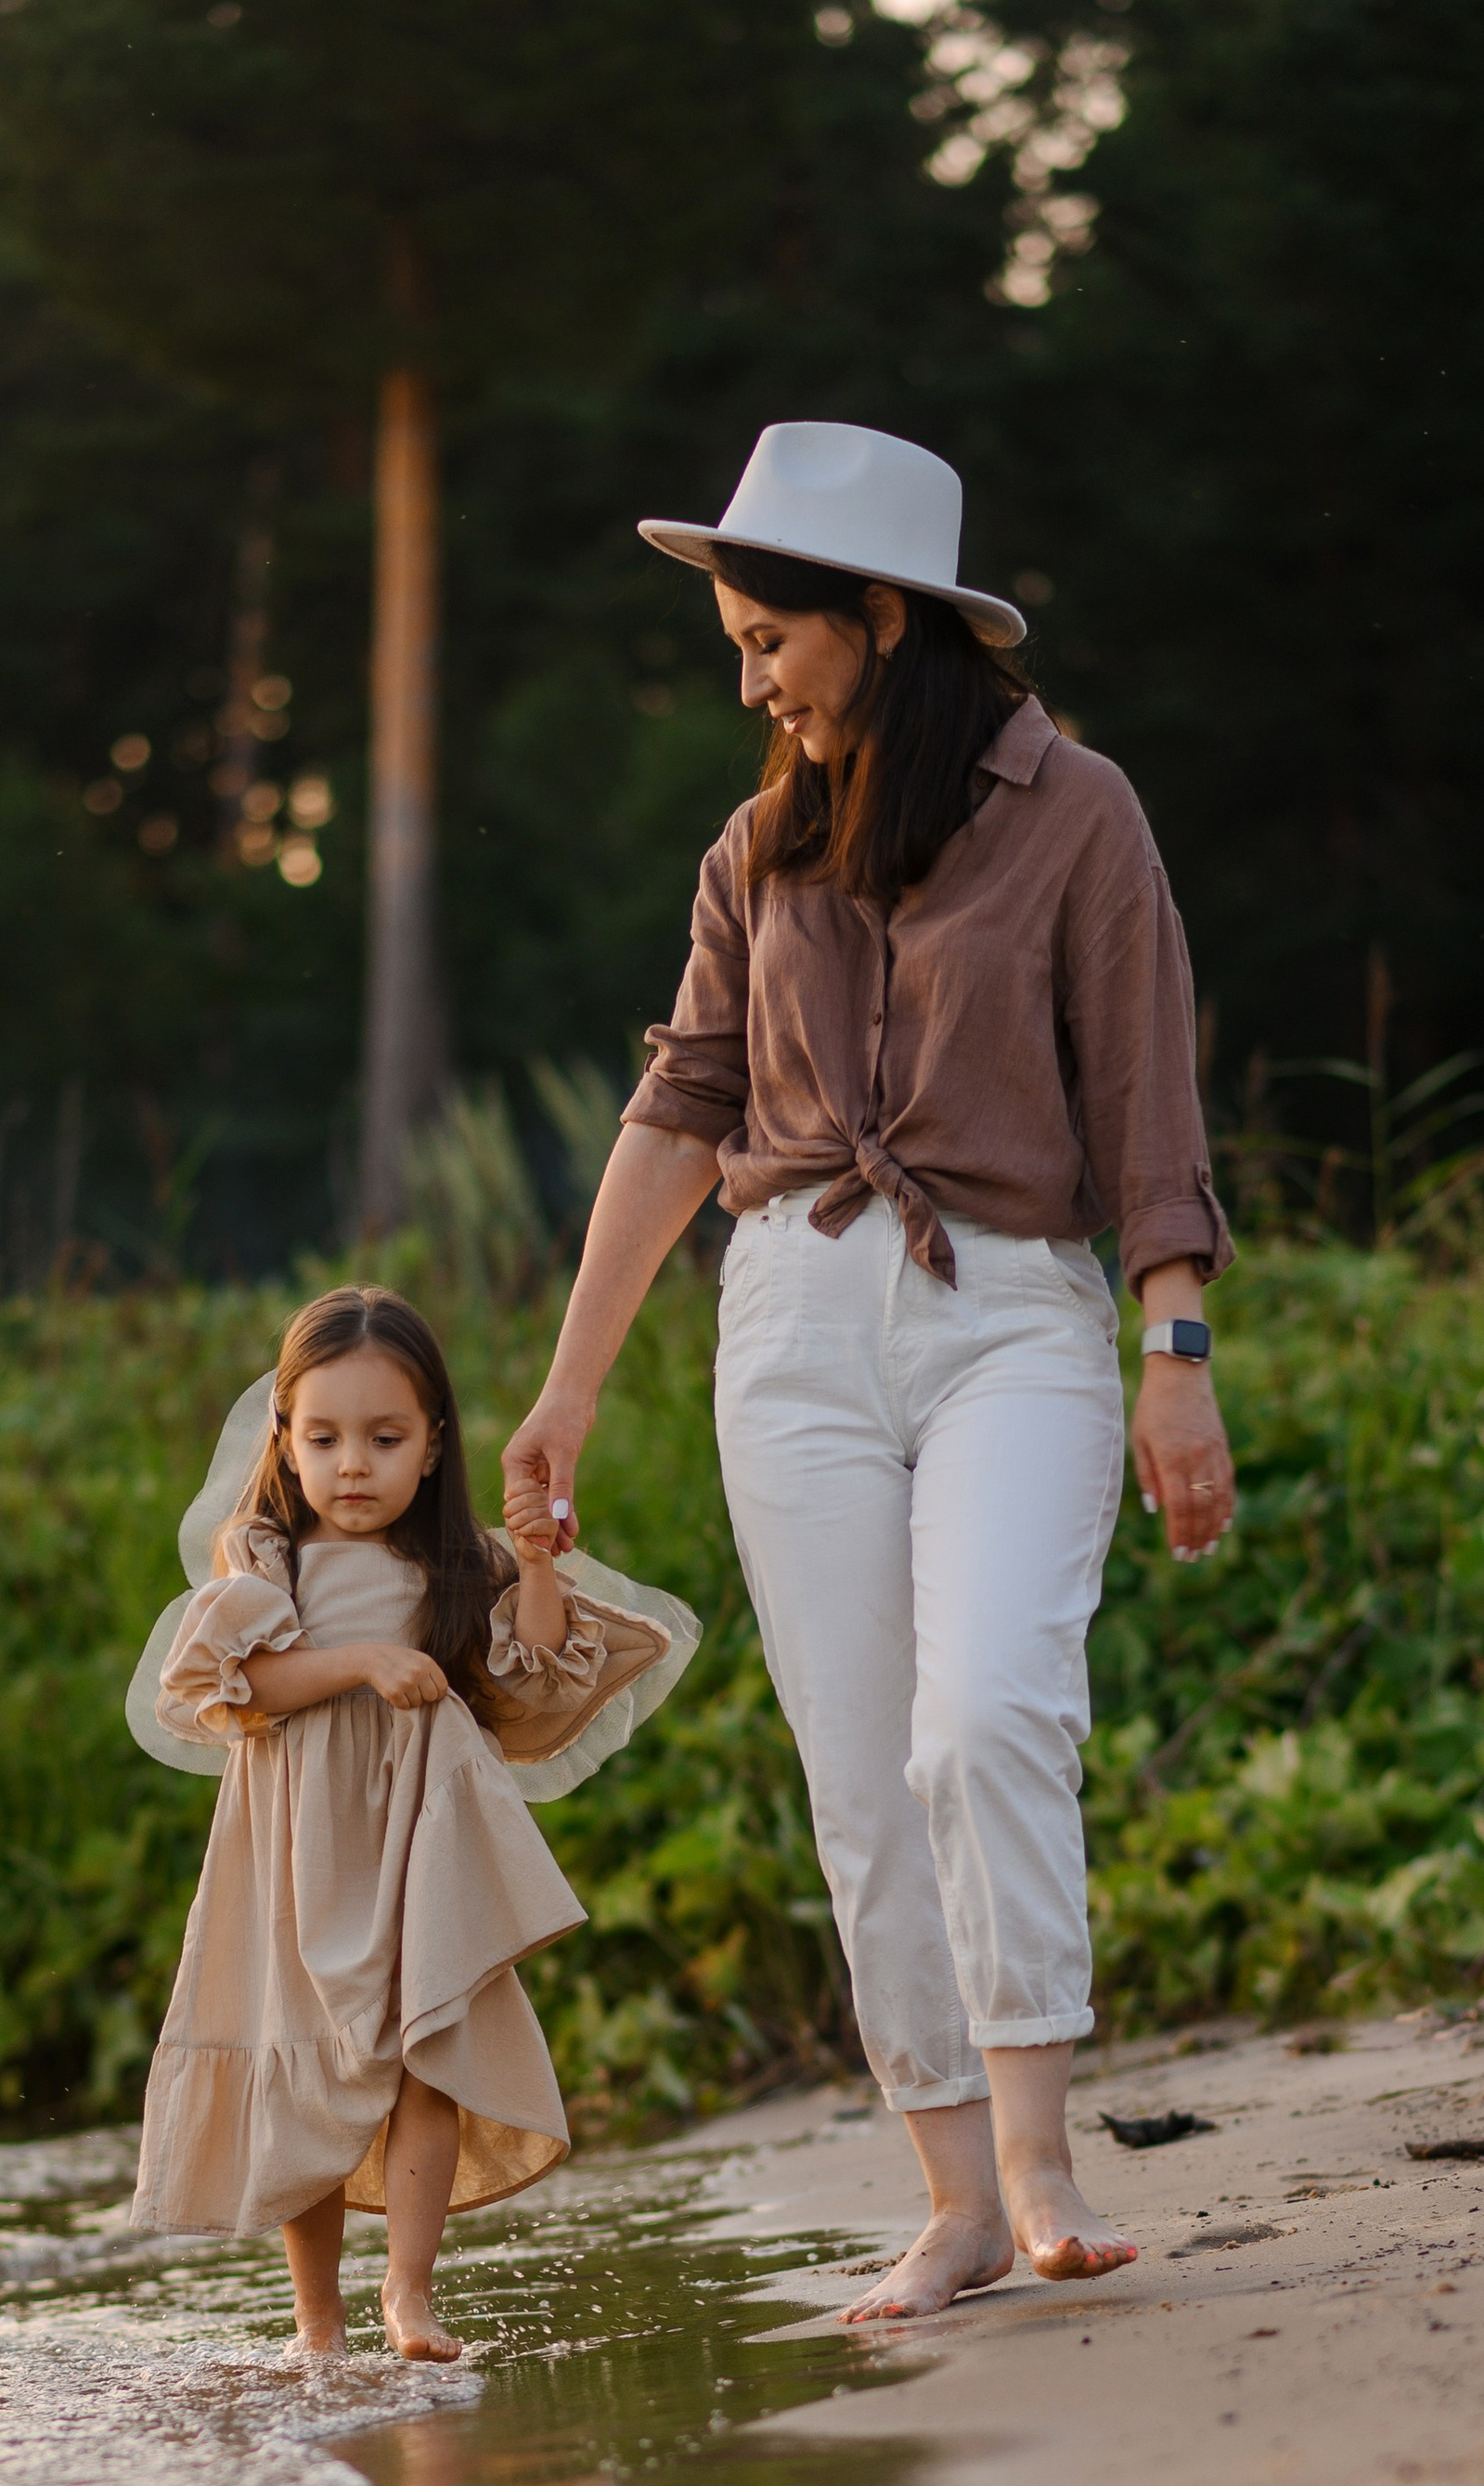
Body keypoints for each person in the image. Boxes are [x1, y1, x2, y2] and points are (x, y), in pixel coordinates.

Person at [505, 421, 1237, 2322]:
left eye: (771, 640)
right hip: (790, 1330)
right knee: (858, 1770)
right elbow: (680, 1108)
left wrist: (1174, 1352)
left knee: (983, 1714)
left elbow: (1147, 1109)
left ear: (886, 618)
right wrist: (569, 1389)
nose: (750, 681)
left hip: (1013, 1317)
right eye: (738, 645)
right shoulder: (758, 849)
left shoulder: (1079, 816)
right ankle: (956, 2200)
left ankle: (1042, 2156)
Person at [129, 1286, 690, 2362]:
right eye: (324, 1438)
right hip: (299, 1850)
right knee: (305, 2063)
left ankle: (409, 2290)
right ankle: (317, 2321)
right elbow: (230, 1689)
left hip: (419, 1842)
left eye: (384, 1439)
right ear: (284, 1439)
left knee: (428, 2048)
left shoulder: (455, 1564)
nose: (353, 1465)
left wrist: (536, 1562)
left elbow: (534, 1673)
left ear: (432, 1445)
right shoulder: (265, 1556)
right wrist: (359, 1661)